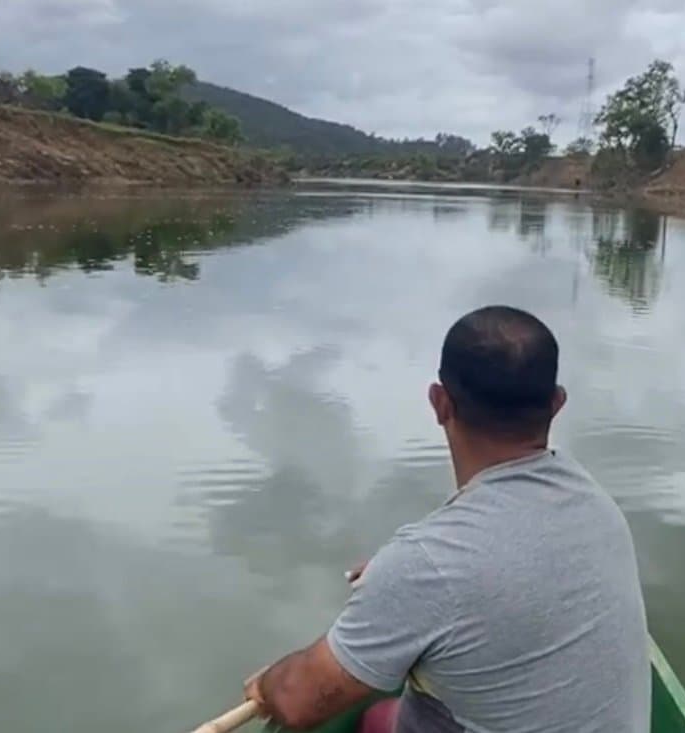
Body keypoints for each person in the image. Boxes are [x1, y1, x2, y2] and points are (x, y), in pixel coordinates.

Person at [243, 306, 650, 732]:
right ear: (557, 403)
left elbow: (298, 703)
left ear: (439, 403)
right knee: (383, 717)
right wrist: (398, 582)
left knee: (373, 718)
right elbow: (477, 572)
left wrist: (272, 684)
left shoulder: (427, 569)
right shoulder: (594, 501)